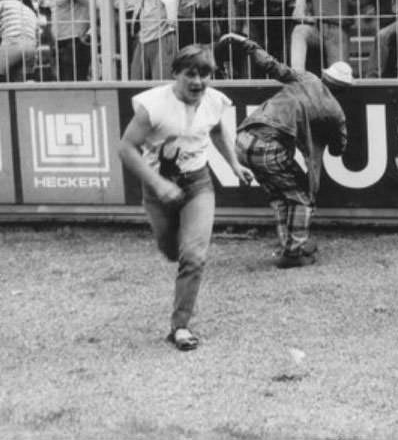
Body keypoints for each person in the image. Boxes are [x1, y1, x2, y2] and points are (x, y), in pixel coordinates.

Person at [118, 44, 253, 351]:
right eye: (190, 74)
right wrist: (157, 183)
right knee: (171, 250)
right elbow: (125, 148)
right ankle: (173, 247)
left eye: (205, 74)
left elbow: (217, 130)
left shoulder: (215, 101)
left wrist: (233, 163)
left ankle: (180, 326)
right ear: (175, 74)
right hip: (158, 189)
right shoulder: (153, 106)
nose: (198, 82)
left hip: (198, 184)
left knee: (193, 256)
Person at [219, 32, 349, 267]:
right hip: (270, 144)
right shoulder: (335, 111)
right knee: (301, 197)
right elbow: (339, 148)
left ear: (325, 76)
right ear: (343, 89)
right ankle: (294, 251)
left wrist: (248, 44)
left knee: (280, 195)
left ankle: (287, 245)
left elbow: (272, 66)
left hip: (244, 138)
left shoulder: (306, 78)